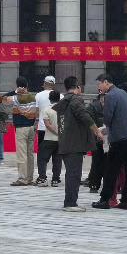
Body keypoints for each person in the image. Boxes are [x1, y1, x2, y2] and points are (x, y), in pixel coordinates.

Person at [91, 74, 127, 210]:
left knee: (111, 170)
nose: (99, 87)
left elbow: (108, 118)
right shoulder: (123, 93)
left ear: (106, 82)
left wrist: (103, 130)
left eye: (99, 84)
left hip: (120, 138)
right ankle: (125, 201)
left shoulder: (110, 96)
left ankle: (105, 200)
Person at [54, 77, 93, 211]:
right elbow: (85, 117)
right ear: (77, 87)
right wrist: (96, 131)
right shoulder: (75, 100)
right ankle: (70, 203)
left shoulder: (64, 101)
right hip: (75, 143)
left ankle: (69, 201)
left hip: (65, 142)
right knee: (74, 174)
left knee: (71, 173)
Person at [10, 77, 38, 186]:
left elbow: (3, 98)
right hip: (31, 127)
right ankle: (29, 177)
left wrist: (15, 91)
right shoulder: (33, 97)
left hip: (21, 128)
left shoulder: (17, 97)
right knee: (30, 154)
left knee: (21, 154)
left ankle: (22, 178)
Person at [34, 76, 59, 186]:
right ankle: (56, 179)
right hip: (59, 132)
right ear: (54, 84)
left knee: (42, 155)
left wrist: (35, 124)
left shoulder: (39, 95)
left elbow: (36, 112)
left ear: (44, 83)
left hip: (43, 129)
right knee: (57, 157)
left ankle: (42, 177)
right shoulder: (61, 96)